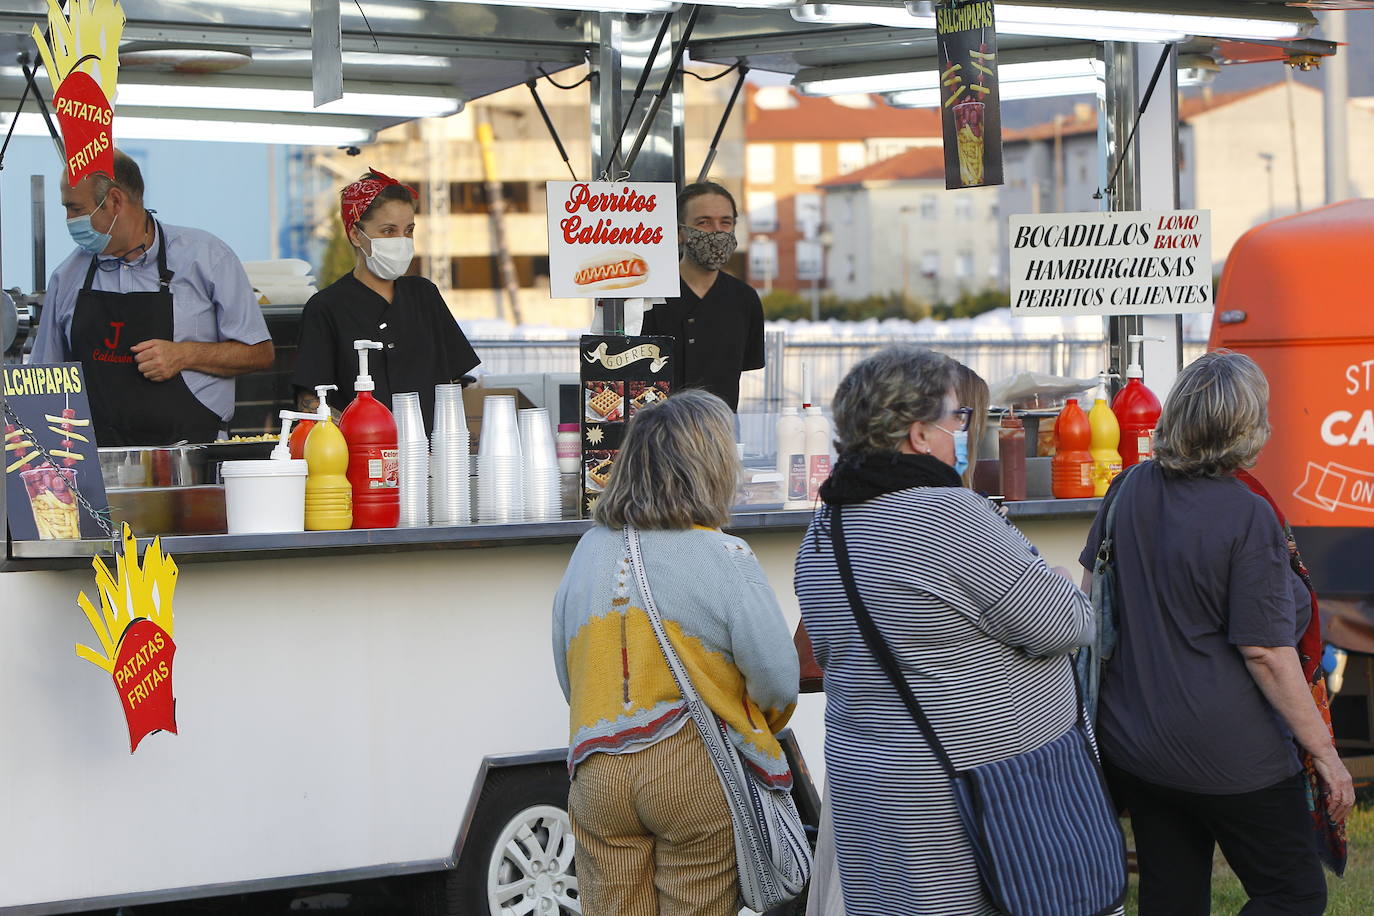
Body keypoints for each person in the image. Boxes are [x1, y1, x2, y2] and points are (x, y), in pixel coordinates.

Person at [793, 345, 1092, 916]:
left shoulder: (824, 530)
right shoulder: (950, 516)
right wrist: (1051, 575)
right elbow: (1069, 622)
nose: (961, 432)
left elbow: (835, 655)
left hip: (871, 795)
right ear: (917, 434)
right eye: (957, 418)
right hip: (974, 800)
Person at [1079, 350, 1354, 916]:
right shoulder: (1246, 513)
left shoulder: (1128, 487)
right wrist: (1326, 755)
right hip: (1229, 754)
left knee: (1171, 900)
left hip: (1136, 743)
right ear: (1246, 427)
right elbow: (1266, 652)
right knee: (1293, 893)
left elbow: (1092, 599)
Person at [552, 389, 798, 915]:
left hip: (596, 760)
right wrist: (756, 724)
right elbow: (778, 678)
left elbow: (566, 668)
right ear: (711, 467)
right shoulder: (723, 555)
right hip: (692, 761)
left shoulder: (587, 549)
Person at [30, 149, 273, 445]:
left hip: (191, 458)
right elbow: (44, 382)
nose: (69, 220)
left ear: (115, 201)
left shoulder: (206, 257)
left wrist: (184, 354)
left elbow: (260, 353)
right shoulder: (68, 276)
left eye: (76, 209)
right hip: (97, 460)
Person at [292, 170, 479, 433]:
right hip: (362, 462)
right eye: (388, 231)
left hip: (431, 456)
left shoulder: (424, 295)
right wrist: (361, 439)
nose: (401, 242)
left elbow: (456, 382)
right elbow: (310, 402)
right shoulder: (326, 307)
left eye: (408, 231)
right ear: (356, 235)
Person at [641, 182, 764, 412]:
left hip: (722, 437)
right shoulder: (645, 297)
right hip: (658, 436)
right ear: (679, 232)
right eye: (703, 222)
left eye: (725, 222)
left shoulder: (745, 299)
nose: (716, 231)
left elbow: (747, 363)